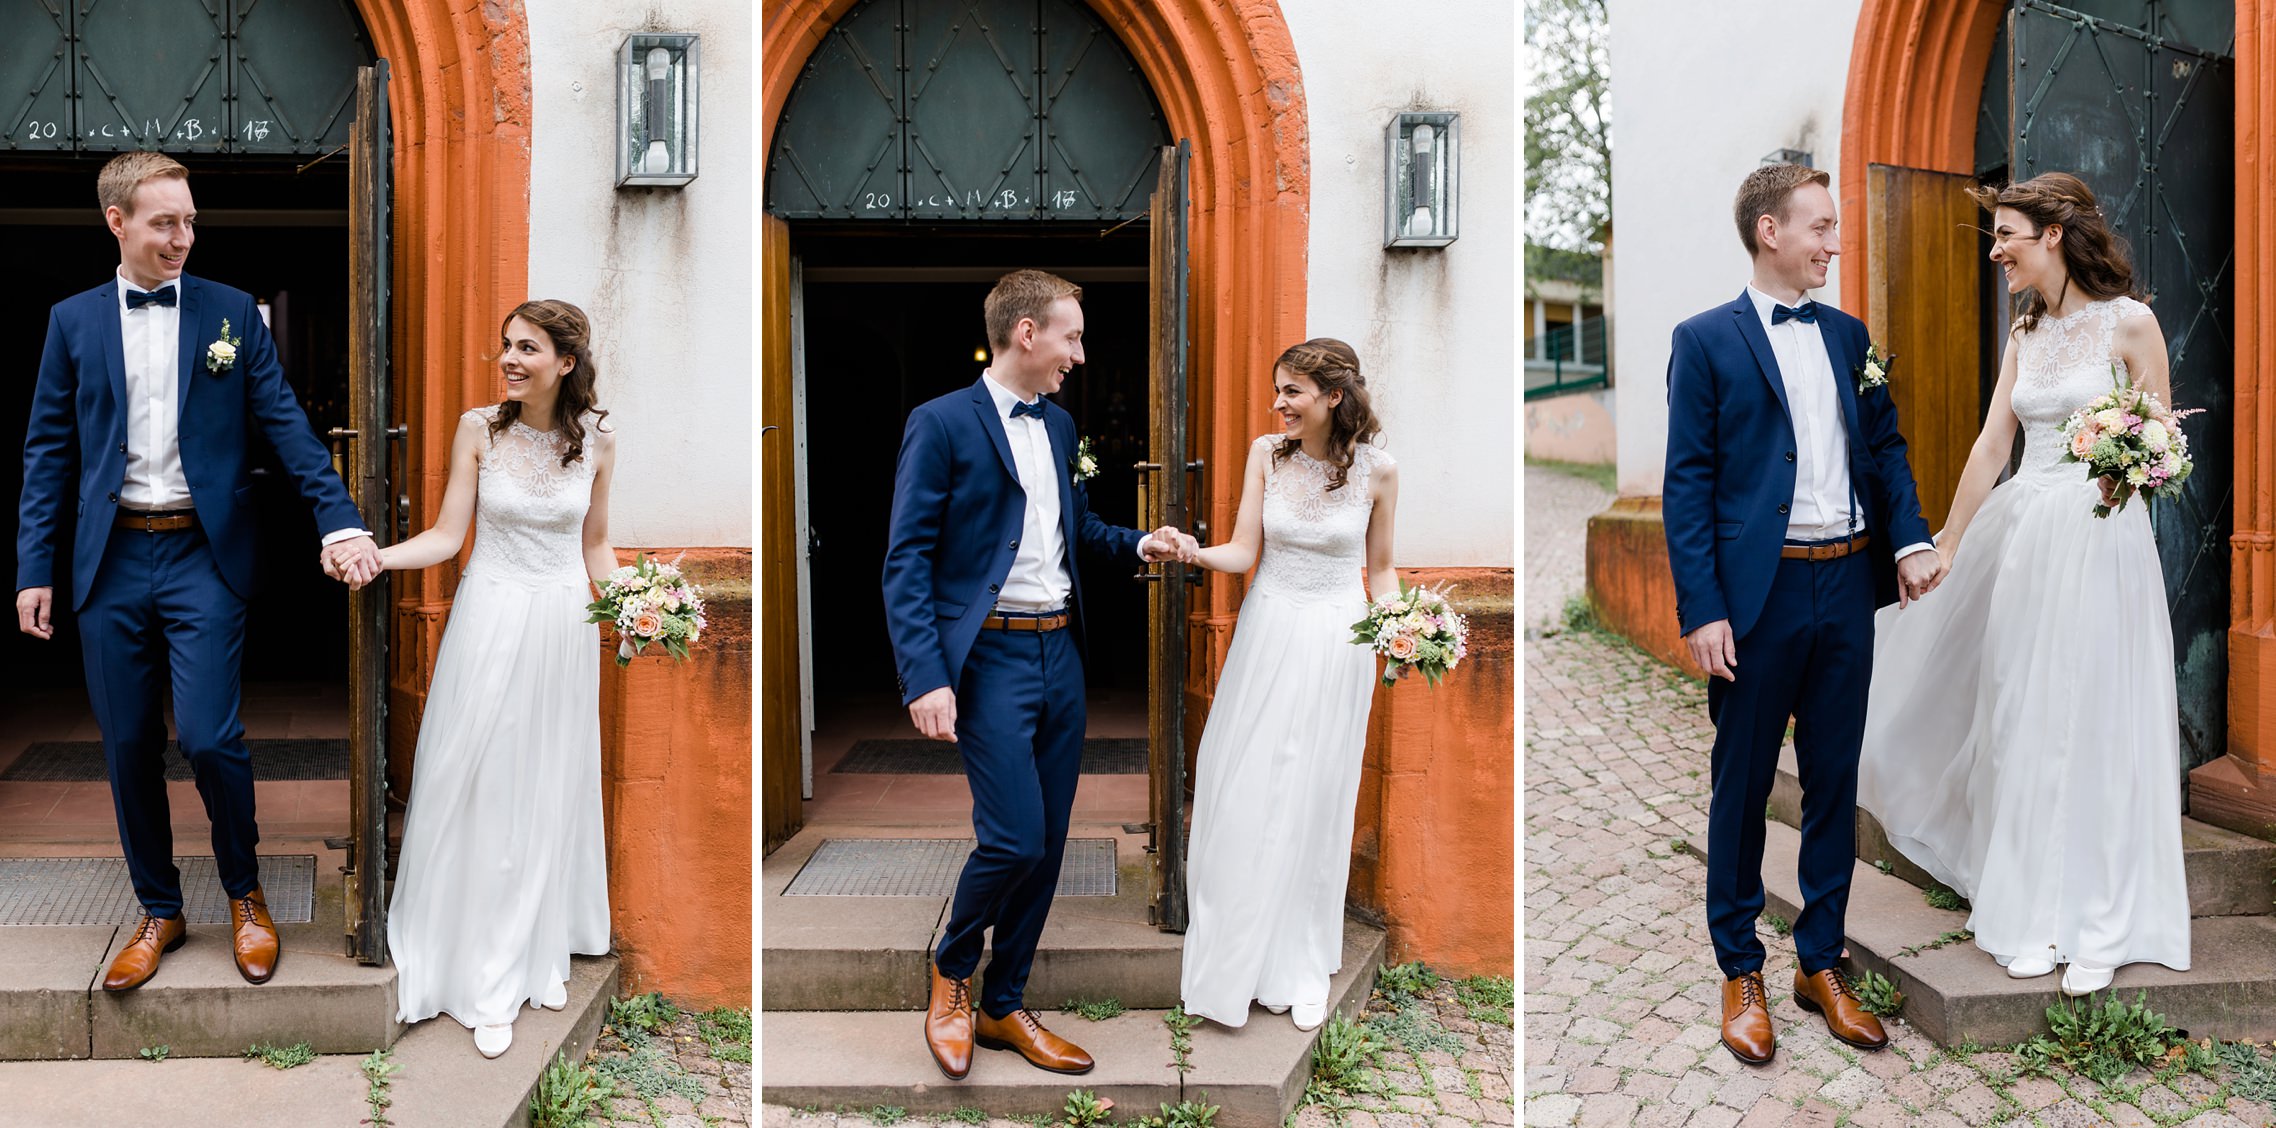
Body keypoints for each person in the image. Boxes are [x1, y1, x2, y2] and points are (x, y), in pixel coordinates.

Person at [15, 151, 380, 993]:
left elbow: (286, 424)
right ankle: (158, 909)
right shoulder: (71, 322)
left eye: (189, 220)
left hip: (201, 556)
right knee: (129, 744)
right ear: (118, 222)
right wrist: (35, 566)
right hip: (107, 561)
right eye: (164, 222)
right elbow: (48, 452)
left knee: (210, 735)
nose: (183, 236)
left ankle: (246, 895)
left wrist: (340, 517)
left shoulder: (228, 316)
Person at [1858, 172, 2191, 997]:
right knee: (2024, 716)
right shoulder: (2027, 334)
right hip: (2027, 539)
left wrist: (2128, 475)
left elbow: (2163, 438)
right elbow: (1987, 448)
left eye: (2006, 233)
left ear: (2052, 234)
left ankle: (2099, 926)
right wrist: (1945, 541)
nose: (1996, 249)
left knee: (2094, 717)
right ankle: (2036, 910)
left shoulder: (2131, 323)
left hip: (2101, 540)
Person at [1662, 163, 1944, 1065]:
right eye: (1820, 227)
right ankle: (1740, 966)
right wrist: (1703, 608)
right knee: (1743, 784)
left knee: (1833, 781)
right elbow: (1689, 483)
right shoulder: (1704, 340)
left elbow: (1886, 448)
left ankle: (1820, 961)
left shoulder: (1849, 335)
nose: (1835, 242)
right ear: (1768, 232)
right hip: (1758, 598)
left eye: (1836, 227)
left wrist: (1908, 540)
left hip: (1844, 586)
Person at [882, 269, 1191, 1081]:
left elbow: (1074, 529)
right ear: (1026, 333)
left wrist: (1135, 543)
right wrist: (925, 676)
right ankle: (954, 970)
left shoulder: (1058, 426)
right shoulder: (940, 423)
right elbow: (906, 558)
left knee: (1049, 844)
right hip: (988, 659)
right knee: (1013, 835)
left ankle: (1002, 1003)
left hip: (1063, 653)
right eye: (1072, 337)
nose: (1079, 355)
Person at [377, 300, 616, 1058]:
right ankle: (462, 951)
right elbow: (449, 536)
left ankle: (517, 949)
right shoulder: (479, 428)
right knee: (471, 775)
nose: (510, 359)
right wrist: (378, 557)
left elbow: (598, 547)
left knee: (540, 782)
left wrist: (639, 606)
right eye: (506, 346)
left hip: (560, 627)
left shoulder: (600, 443)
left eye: (528, 348)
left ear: (566, 363)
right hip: (489, 616)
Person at [1176, 339, 1397, 1032]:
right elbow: (1245, 551)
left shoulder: (1380, 471)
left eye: (1292, 391)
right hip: (1268, 632)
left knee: (1313, 790)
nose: (1278, 404)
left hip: (1337, 639)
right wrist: (1190, 549)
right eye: (1278, 390)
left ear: (1333, 396)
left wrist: (1404, 629)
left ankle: (1297, 954)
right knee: (1245, 782)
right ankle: (1235, 949)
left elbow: (1382, 570)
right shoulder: (1265, 454)